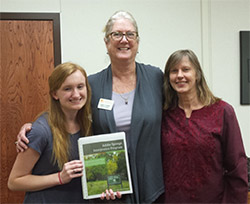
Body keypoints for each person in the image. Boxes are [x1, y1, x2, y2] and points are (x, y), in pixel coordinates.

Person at [14, 11, 165, 203]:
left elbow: (177, 113)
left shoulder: (155, 78)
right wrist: (31, 127)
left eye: (130, 34)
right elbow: (68, 112)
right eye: (116, 34)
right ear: (106, 42)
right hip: (109, 185)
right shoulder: (92, 84)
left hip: (150, 181)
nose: (124, 39)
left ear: (138, 40)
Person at [160, 49, 248, 203]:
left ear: (197, 75)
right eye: (174, 71)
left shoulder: (222, 112)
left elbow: (237, 167)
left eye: (186, 69)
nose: (180, 75)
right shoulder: (164, 115)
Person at [8, 62, 92, 203]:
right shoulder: (41, 130)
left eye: (80, 87)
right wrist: (59, 177)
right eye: (67, 89)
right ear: (55, 94)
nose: (76, 94)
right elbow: (14, 181)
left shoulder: (88, 125)